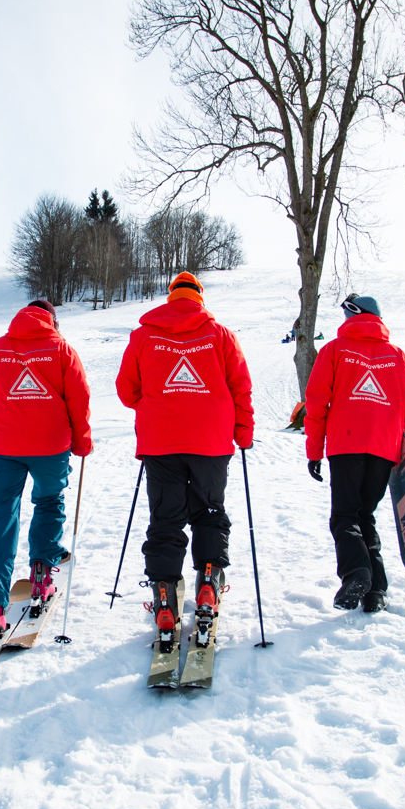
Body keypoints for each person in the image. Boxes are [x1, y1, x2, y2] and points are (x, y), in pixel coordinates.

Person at [116, 272, 253, 651]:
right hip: (212, 441)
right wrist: (243, 431)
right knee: (209, 512)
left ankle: (164, 601)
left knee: (165, 519)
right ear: (200, 300)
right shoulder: (221, 336)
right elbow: (240, 387)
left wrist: (158, 401)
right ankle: (208, 585)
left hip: (161, 442)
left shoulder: (144, 336)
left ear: (171, 297)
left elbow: (126, 391)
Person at [0, 299, 92, 652]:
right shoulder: (62, 350)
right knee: (49, 502)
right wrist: (82, 442)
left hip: (2, 447)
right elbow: (79, 399)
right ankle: (41, 575)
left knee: (1, 517)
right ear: (52, 321)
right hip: (51, 447)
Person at [303, 294, 405, 612]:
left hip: (345, 446)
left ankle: (356, 573)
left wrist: (315, 451)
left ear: (353, 316)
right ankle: (376, 592)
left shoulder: (334, 350)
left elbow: (316, 404)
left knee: (345, 516)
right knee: (364, 515)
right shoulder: (398, 356)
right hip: (384, 449)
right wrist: (389, 430)